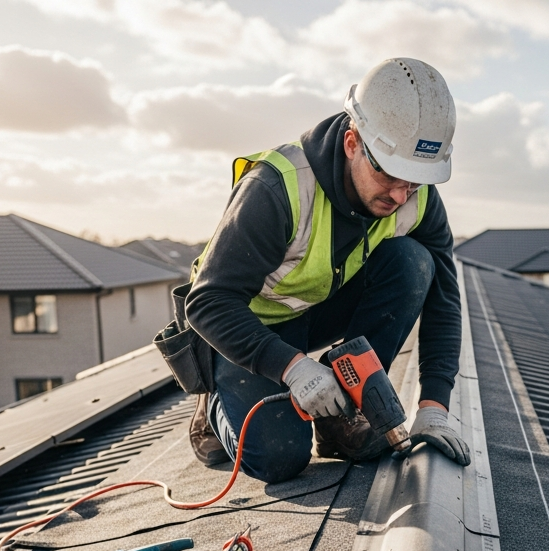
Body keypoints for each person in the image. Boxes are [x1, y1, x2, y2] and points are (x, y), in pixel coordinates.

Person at [184, 58, 471, 483]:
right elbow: (208, 302)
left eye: (414, 180)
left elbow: (445, 298)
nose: (400, 194)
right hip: (244, 325)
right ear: (353, 142)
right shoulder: (278, 187)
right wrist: (294, 367)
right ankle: (212, 409)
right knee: (279, 460)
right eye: (389, 175)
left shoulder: (416, 195)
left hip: (314, 307)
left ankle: (344, 416)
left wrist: (434, 408)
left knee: (414, 262)